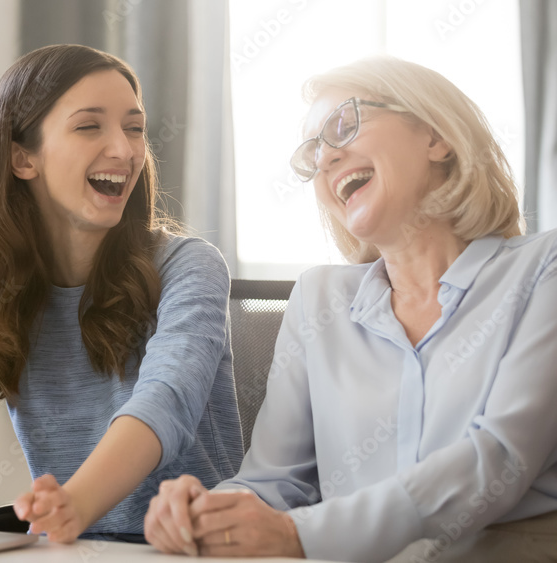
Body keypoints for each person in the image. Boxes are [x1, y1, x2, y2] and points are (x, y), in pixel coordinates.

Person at [144, 56, 557, 562]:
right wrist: (209, 514)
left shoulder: (544, 269)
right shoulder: (318, 297)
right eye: (313, 151)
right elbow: (273, 483)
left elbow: (499, 460)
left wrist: (302, 536)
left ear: (436, 136)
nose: (324, 159)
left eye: (344, 125)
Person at [0, 44, 243, 544]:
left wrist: (77, 503)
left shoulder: (189, 267)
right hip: (73, 549)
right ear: (23, 157)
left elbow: (164, 402)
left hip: (195, 550)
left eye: (134, 127)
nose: (126, 151)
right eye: (90, 126)